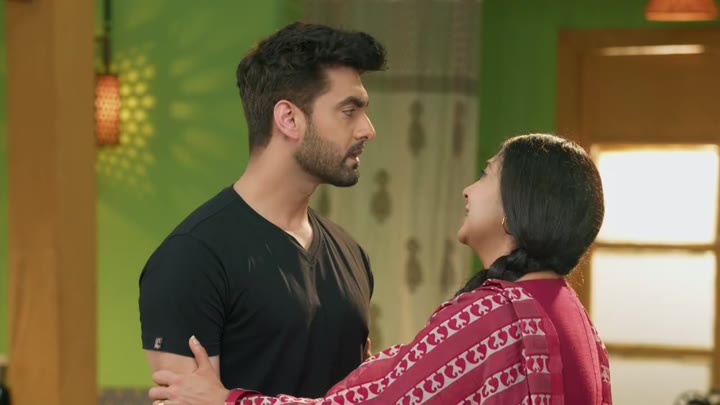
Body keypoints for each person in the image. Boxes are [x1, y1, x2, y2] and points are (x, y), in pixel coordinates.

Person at [148, 134, 613, 405]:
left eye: (486, 175)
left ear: (515, 209)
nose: (468, 190)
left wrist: (227, 400)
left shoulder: (495, 317)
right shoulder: (573, 317)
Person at [138, 22, 387, 398]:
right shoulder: (191, 259)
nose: (368, 129)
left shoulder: (351, 254)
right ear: (289, 119)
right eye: (349, 111)